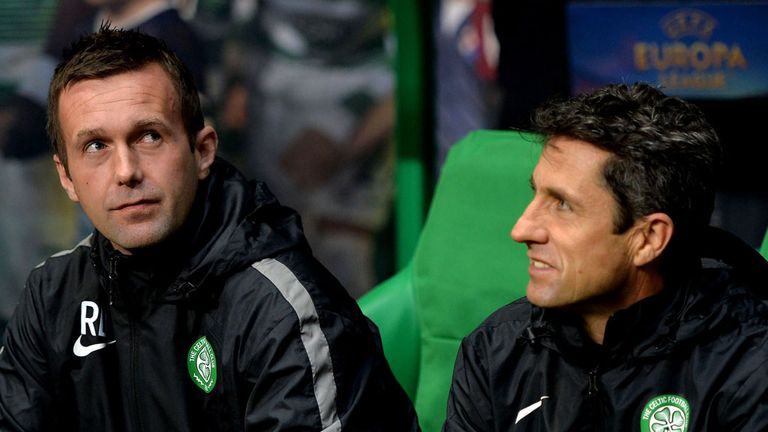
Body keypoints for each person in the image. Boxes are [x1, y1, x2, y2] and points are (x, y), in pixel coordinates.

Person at [0, 26, 419, 431]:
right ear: (67, 177)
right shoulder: (52, 295)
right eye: (96, 146)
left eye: (149, 136)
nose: (126, 171)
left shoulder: (279, 308)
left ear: (202, 151)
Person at [443, 83, 768, 431]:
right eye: (535, 193)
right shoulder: (495, 351)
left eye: (562, 205)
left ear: (648, 239)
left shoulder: (751, 369)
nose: (521, 229)